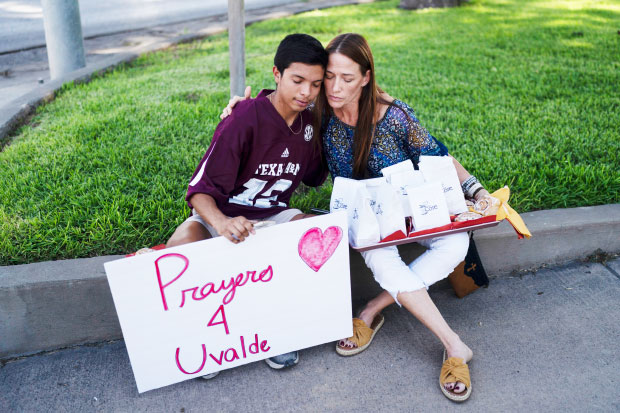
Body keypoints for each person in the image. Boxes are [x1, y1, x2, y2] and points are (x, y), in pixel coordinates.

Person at [223, 33, 492, 402]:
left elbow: (438, 156)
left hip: (411, 211)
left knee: (456, 242)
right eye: (329, 77)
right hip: (363, 221)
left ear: (366, 77)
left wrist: (478, 192)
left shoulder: (393, 115)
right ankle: (454, 344)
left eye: (347, 79)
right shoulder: (317, 113)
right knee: (379, 256)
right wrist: (241, 109)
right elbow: (274, 110)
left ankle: (371, 309)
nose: (334, 87)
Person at [166, 33, 329, 379]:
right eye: (297, 81)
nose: (306, 93)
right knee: (178, 249)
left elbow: (316, 176)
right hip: (222, 214)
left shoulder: (311, 124)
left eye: (315, 85)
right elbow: (199, 192)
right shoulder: (243, 120)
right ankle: (207, 341)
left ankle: (276, 332)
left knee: (309, 232)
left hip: (270, 215)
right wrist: (222, 223)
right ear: (276, 74)